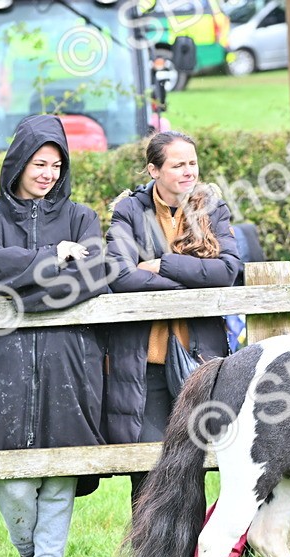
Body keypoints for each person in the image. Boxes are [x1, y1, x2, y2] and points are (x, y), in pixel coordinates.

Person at [0, 114, 109, 557]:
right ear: (19, 162)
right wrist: (52, 257)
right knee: (13, 480)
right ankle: (30, 554)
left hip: (70, 362)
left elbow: (91, 277)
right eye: (39, 163)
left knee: (62, 470)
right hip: (4, 364)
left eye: (56, 165)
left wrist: (18, 292)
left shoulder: (81, 218)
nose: (48, 174)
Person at [103, 132, 242, 505]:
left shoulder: (212, 208)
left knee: (192, 464)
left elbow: (227, 271)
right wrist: (193, 279)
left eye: (192, 163)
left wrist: (162, 264)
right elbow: (120, 275)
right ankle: (148, 544)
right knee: (146, 468)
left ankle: (191, 543)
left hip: (199, 362)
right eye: (178, 165)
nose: (188, 171)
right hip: (143, 362)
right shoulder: (129, 211)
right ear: (154, 170)